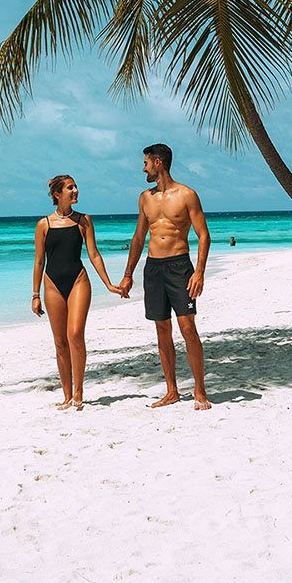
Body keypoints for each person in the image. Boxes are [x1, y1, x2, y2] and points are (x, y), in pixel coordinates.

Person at [118, 144, 212, 410]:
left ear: (158, 163)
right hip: (153, 268)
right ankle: (172, 391)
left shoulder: (187, 195)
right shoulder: (144, 198)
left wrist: (199, 272)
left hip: (180, 267)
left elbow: (203, 235)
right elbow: (138, 238)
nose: (143, 168)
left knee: (187, 329)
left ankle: (199, 390)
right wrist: (128, 274)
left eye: (146, 163)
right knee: (162, 329)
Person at [32, 174, 125, 409]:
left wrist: (108, 284)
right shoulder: (44, 224)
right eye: (70, 188)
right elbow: (39, 261)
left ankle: (79, 392)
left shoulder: (83, 220)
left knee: (75, 334)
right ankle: (66, 395)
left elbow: (93, 254)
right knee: (60, 342)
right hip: (52, 284)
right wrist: (35, 294)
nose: (75, 191)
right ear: (57, 194)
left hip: (78, 281)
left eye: (75, 187)